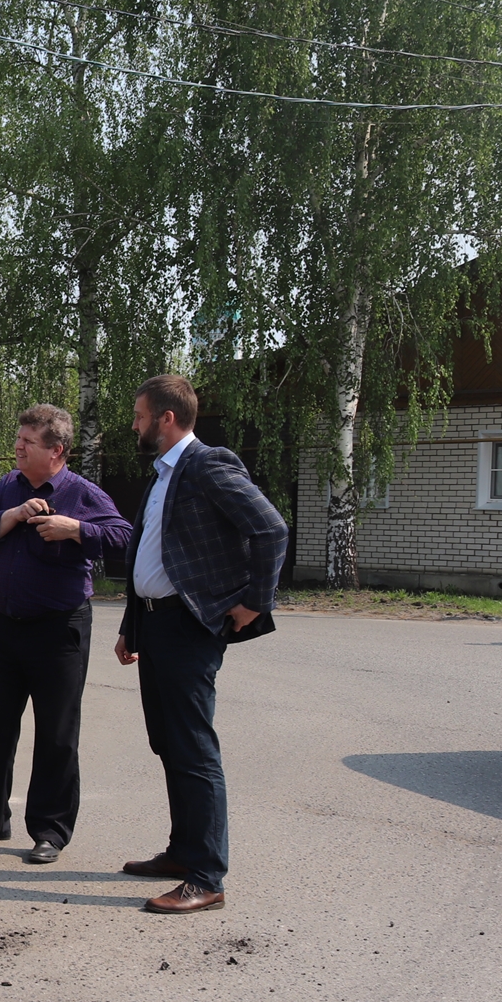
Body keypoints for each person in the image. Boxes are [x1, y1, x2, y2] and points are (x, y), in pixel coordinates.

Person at [114, 375, 287, 914]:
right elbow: (151, 551)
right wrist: (130, 624)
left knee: (193, 748)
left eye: (140, 416)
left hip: (190, 627)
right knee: (169, 742)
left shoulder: (207, 464)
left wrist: (256, 600)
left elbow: (270, 530)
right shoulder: (163, 474)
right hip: (155, 624)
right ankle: (184, 851)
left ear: (167, 418)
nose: (135, 425)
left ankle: (207, 875)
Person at [0, 405, 131, 863]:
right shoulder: (9, 486)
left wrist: (76, 529)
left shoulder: (81, 492)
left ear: (57, 451)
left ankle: (49, 831)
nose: (18, 446)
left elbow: (124, 536)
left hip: (60, 630)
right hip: (6, 629)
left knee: (56, 735)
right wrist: (10, 515)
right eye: (18, 438)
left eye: (28, 441)